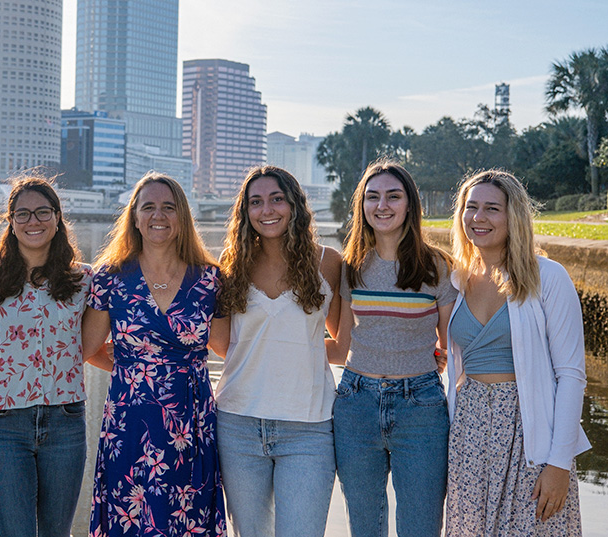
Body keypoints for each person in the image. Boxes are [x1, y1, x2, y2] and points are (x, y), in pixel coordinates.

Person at [444, 170, 589, 535]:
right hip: (469, 432)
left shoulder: (548, 277)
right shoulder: (458, 279)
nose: (479, 218)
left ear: (514, 217)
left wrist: (559, 463)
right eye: (471, 207)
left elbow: (571, 374)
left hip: (529, 433)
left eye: (492, 208)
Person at [82, 172, 227, 537]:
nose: (158, 215)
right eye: (148, 207)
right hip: (130, 423)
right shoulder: (110, 278)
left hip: (190, 423)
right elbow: (87, 348)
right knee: (131, 518)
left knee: (187, 519)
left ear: (182, 217)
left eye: (168, 207)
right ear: (134, 216)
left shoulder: (210, 280)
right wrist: (134, 369)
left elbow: (226, 348)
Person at [210, 166, 342, 537]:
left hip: (309, 427)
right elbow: (222, 345)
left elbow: (343, 344)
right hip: (238, 423)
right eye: (256, 202)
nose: (267, 210)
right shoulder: (230, 265)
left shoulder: (327, 263)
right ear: (245, 212)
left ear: (295, 205)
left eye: (276, 199)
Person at [328, 160, 456, 537]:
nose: (382, 205)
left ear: (410, 204)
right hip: (355, 404)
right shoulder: (352, 266)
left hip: (421, 409)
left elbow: (450, 348)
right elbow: (343, 344)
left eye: (393, 196)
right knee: (365, 528)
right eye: (372, 197)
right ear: (362, 206)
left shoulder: (438, 268)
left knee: (420, 527)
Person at [0, 176, 100, 537]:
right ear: (10, 221)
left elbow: (91, 347)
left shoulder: (84, 280)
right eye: (22, 214)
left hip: (65, 420)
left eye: (43, 212)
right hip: (4, 424)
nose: (33, 222)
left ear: (58, 218)